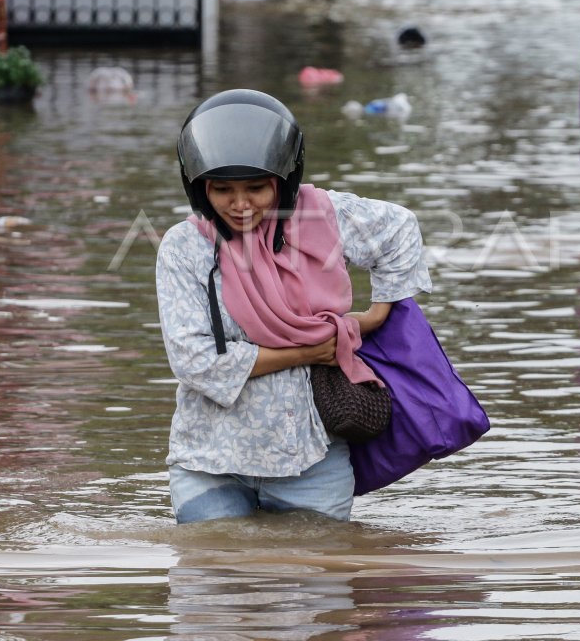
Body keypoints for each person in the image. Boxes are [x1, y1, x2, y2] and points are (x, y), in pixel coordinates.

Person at [155, 89, 431, 524]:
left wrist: (380, 311)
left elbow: (400, 230)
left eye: (256, 188)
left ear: (282, 181)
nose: (240, 204)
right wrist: (309, 352)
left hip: (310, 456)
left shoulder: (322, 215)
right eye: (223, 189)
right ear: (199, 187)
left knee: (316, 580)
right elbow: (196, 362)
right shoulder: (184, 247)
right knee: (212, 579)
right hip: (210, 458)